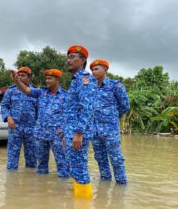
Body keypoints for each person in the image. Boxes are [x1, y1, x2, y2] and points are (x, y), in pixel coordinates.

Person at [10, 68, 69, 177]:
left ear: (57, 79)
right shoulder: (41, 92)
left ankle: (63, 191)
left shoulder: (66, 96)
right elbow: (26, 90)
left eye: (50, 79)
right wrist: (16, 81)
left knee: (62, 165)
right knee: (41, 167)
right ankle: (41, 190)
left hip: (58, 135)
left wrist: (67, 132)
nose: (47, 81)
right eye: (46, 78)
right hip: (40, 135)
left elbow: (71, 116)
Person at [62, 45, 96, 198]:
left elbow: (87, 107)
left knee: (79, 169)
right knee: (74, 168)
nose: (68, 60)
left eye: (72, 57)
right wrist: (65, 134)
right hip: (71, 132)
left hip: (77, 133)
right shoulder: (75, 81)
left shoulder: (85, 79)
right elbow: (70, 111)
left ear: (82, 60)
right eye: (68, 57)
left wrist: (78, 133)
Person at [90, 59, 130, 184]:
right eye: (92, 70)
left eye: (96, 69)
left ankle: (121, 184)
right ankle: (105, 182)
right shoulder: (90, 88)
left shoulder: (115, 86)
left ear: (105, 70)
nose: (94, 72)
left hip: (110, 129)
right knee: (100, 158)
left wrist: (112, 117)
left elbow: (125, 106)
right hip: (95, 130)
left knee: (116, 158)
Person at [0, 67, 37, 170]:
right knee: (12, 157)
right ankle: (11, 183)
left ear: (29, 78)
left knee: (32, 158)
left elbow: (39, 111)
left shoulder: (34, 92)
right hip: (15, 127)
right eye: (18, 75)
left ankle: (31, 182)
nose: (20, 77)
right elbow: (4, 106)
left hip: (31, 128)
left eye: (23, 75)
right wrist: (8, 117)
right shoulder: (11, 91)